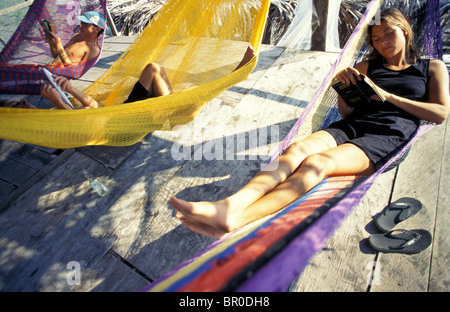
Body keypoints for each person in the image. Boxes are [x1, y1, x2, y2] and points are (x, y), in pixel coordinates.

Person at [169, 8, 450, 239]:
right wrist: (343, 89)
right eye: (377, 38)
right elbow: (347, 114)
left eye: (389, 32)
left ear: (405, 28)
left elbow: (439, 113)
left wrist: (388, 96)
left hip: (388, 135)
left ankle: (239, 220)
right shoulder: (367, 66)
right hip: (353, 126)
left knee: (318, 164)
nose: (384, 41)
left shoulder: (431, 67)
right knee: (295, 150)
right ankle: (230, 206)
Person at [40, 45, 256, 109]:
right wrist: (59, 99)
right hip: (121, 119)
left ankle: (171, 104)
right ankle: (235, 75)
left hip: (121, 110)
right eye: (20, 103)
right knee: (155, 72)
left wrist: (68, 90)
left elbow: (92, 107)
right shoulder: (54, 120)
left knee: (153, 67)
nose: (22, 101)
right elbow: (87, 121)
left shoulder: (53, 112)